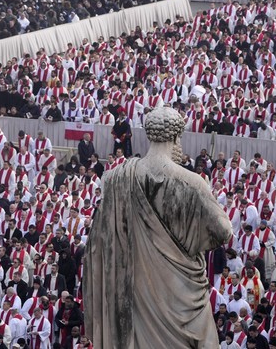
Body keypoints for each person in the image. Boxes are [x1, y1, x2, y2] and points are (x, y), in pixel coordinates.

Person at [84, 107, 232, 348]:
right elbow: (223, 231)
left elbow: (99, 245)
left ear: (149, 136)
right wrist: (189, 241)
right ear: (176, 137)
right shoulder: (192, 182)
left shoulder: (116, 178)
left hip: (134, 287)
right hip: (181, 293)